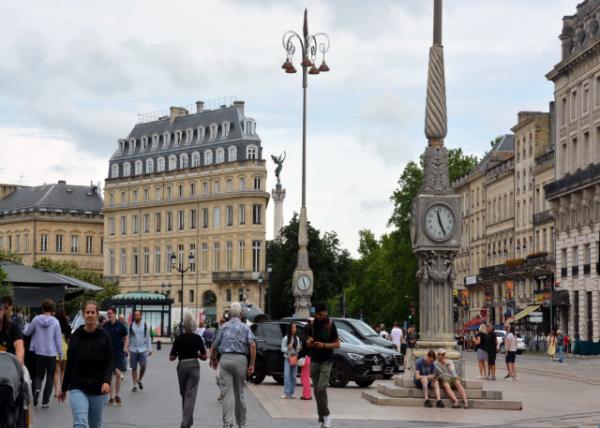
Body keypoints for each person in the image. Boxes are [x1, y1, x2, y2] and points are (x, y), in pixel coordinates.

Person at [59, 301, 113, 428]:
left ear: (97, 315)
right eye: (87, 312)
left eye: (92, 312)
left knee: (95, 425)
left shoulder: (104, 336)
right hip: (78, 386)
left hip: (98, 387)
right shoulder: (76, 336)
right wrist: (64, 387)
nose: (90, 315)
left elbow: (110, 361)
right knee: (80, 423)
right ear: (83, 315)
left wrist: (107, 381)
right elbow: (70, 362)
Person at [213, 302, 256, 428]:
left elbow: (215, 344)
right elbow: (252, 345)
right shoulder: (245, 327)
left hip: (225, 359)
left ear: (229, 314)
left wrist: (214, 359)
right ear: (241, 314)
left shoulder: (223, 326)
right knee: (239, 393)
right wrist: (252, 364)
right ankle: (241, 423)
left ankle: (228, 423)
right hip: (241, 360)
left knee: (227, 393)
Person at [305, 302, 340, 428]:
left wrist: (324, 345)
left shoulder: (331, 324)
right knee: (316, 391)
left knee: (321, 388)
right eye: (317, 315)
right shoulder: (312, 324)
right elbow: (308, 343)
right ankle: (323, 417)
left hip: (326, 360)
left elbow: (337, 344)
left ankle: (326, 415)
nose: (319, 317)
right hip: (314, 360)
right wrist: (309, 342)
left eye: (321, 314)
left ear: (326, 312)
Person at [170, 312, 207, 428]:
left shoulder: (179, 338)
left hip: (182, 366)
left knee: (184, 393)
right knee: (190, 395)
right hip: (194, 366)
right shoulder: (198, 338)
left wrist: (178, 353)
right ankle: (186, 422)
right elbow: (205, 357)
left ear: (184, 326)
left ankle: (186, 422)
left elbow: (171, 357)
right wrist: (197, 355)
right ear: (193, 325)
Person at [23, 298, 63, 408]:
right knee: (50, 377)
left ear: (42, 308)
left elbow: (27, 333)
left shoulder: (36, 319)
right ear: (52, 309)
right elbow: (58, 339)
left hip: (38, 352)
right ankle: (45, 401)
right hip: (51, 354)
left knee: (38, 375)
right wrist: (61, 354)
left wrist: (25, 326)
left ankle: (37, 389)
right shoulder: (55, 322)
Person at [103, 307, 128, 406]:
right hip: (108, 354)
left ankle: (117, 395)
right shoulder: (105, 326)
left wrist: (125, 348)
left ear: (114, 314)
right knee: (110, 376)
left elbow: (126, 338)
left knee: (117, 373)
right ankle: (111, 397)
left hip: (118, 353)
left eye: (110, 313)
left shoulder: (120, 326)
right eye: (108, 314)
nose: (108, 315)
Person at [128, 310, 152, 392]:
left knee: (143, 365)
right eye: (135, 315)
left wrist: (150, 349)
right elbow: (129, 337)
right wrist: (126, 348)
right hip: (133, 349)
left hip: (143, 348)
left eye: (138, 315)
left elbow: (148, 338)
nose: (136, 317)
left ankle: (139, 379)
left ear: (141, 316)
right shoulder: (131, 325)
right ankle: (135, 385)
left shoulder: (145, 325)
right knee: (133, 367)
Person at [53, 310, 71, 397]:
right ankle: (63, 389)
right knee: (64, 370)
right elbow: (68, 340)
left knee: (56, 371)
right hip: (65, 348)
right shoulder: (67, 326)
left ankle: (57, 391)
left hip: (55, 348)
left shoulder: (54, 325)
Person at [280, 321, 301, 399]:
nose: (294, 329)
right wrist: (287, 348)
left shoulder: (297, 339)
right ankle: (286, 393)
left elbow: (298, 349)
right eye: (293, 327)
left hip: (294, 358)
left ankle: (292, 393)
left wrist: (298, 349)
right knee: (286, 375)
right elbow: (282, 349)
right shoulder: (285, 338)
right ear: (290, 329)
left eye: (295, 327)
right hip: (287, 358)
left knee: (293, 376)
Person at [298, 318, 312, 401]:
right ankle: (307, 394)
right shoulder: (312, 338)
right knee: (306, 377)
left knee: (304, 378)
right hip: (311, 358)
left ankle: (307, 395)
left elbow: (303, 351)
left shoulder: (306, 340)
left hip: (306, 359)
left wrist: (298, 357)